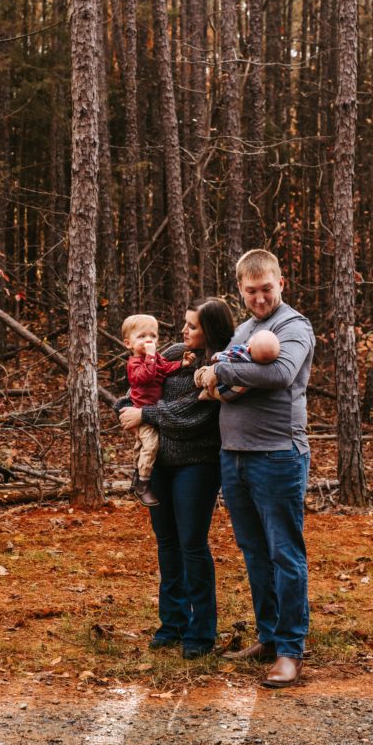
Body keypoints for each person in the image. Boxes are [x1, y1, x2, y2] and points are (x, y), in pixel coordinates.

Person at [201, 249, 315, 688]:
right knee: (254, 551)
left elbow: (281, 374)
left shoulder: (293, 326)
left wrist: (224, 371)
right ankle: (268, 636)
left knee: (284, 551)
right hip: (234, 454)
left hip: (278, 454)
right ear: (241, 291)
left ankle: (291, 650)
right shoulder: (244, 330)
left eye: (267, 289)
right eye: (251, 291)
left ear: (280, 283)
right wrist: (224, 378)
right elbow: (225, 386)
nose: (260, 298)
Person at [118, 298, 235, 660]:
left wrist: (146, 415)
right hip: (160, 466)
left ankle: (201, 633)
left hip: (196, 465)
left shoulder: (222, 365)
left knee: (192, 544)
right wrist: (126, 408)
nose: (184, 331)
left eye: (193, 327)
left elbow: (194, 415)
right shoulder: (171, 352)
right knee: (166, 543)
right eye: (185, 324)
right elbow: (138, 386)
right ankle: (172, 624)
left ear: (211, 331)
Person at [121, 313, 194, 507]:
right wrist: (151, 356)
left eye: (153, 336)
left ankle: (137, 476)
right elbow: (145, 377)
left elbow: (165, 369)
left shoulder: (155, 358)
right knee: (151, 445)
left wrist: (182, 364)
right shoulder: (134, 363)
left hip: (152, 413)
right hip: (143, 413)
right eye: (142, 336)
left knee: (142, 447)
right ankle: (143, 484)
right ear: (128, 344)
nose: (148, 341)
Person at [194, 329, 280, 402]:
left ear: (249, 348)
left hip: (223, 388)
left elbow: (228, 357)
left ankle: (198, 379)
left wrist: (217, 356)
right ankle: (207, 394)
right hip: (232, 395)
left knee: (205, 370)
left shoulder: (243, 354)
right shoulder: (256, 368)